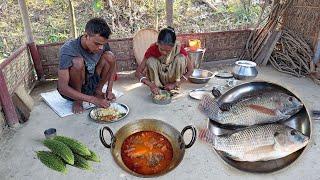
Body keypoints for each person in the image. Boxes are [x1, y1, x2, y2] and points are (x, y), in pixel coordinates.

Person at [58, 18, 116, 114]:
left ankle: (98, 91)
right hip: (73, 89)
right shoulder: (68, 49)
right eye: (97, 44)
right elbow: (62, 87)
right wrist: (93, 100)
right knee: (78, 62)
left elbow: (112, 65)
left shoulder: (101, 44)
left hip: (91, 84)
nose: (100, 48)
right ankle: (78, 100)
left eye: (103, 44)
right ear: (86, 36)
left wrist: (109, 90)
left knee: (110, 56)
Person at [135, 27, 193, 95]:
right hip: (157, 80)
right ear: (157, 43)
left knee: (181, 58)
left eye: (168, 51)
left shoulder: (178, 48)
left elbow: (191, 70)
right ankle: (157, 87)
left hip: (173, 79)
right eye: (161, 49)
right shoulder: (152, 49)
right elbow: (138, 72)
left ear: (173, 46)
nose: (164, 53)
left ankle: (175, 86)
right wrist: (151, 85)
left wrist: (174, 84)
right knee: (151, 61)